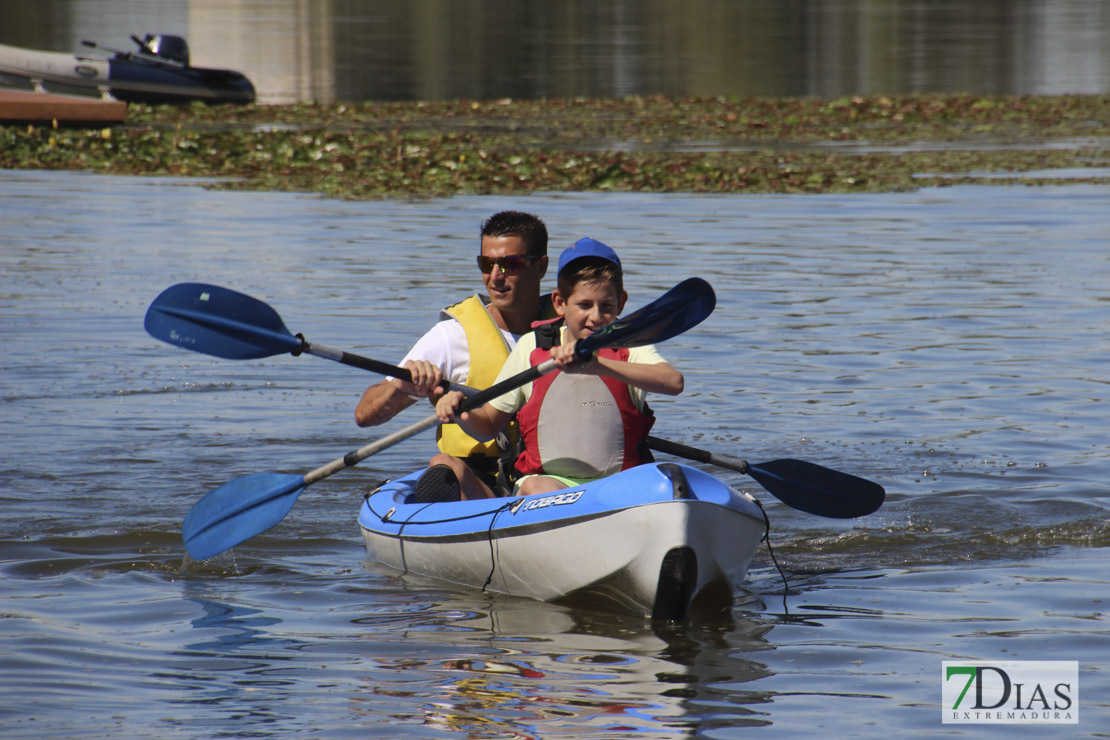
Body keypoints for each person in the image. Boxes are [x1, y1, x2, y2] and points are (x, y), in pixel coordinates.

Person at [433, 238, 684, 499]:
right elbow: (487, 426)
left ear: (621, 302)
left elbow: (673, 382)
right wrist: (461, 413)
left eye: (606, 306)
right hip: (547, 485)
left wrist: (597, 366)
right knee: (456, 467)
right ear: (560, 303)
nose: (596, 316)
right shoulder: (532, 346)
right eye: (584, 305)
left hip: (620, 484)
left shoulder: (632, 347)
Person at [354, 210, 552, 498]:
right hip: (478, 487)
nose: (495, 277)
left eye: (510, 264)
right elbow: (364, 415)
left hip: (549, 479)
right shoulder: (451, 337)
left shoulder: (571, 328)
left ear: (541, 266)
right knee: (443, 465)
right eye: (487, 263)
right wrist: (398, 388)